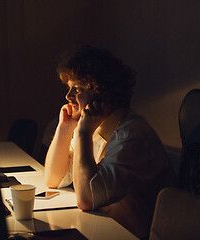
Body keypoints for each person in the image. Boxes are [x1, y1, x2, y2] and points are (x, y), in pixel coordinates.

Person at [44, 45, 175, 238]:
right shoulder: (94, 127)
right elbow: (54, 179)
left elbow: (86, 200)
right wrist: (64, 129)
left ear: (103, 94)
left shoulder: (130, 136)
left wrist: (82, 133)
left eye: (77, 89)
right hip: (107, 229)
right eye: (69, 88)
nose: (68, 96)